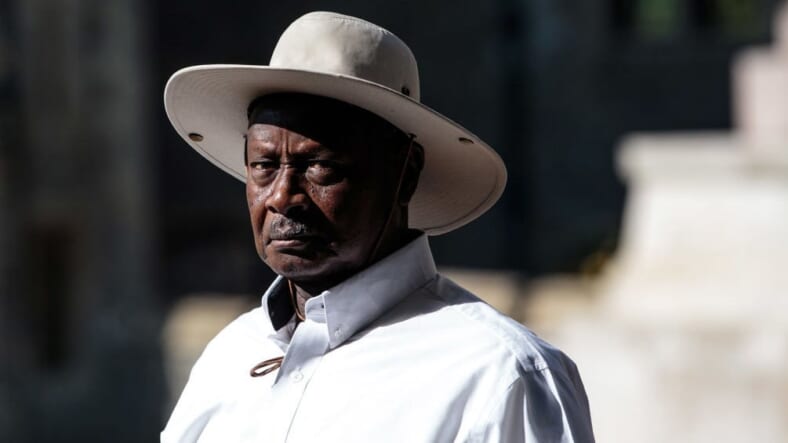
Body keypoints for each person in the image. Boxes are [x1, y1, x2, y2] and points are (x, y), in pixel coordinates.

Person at [161, 11, 594, 443]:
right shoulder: (230, 358)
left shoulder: (498, 376)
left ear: (405, 173)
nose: (281, 197)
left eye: (320, 166)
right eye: (263, 165)